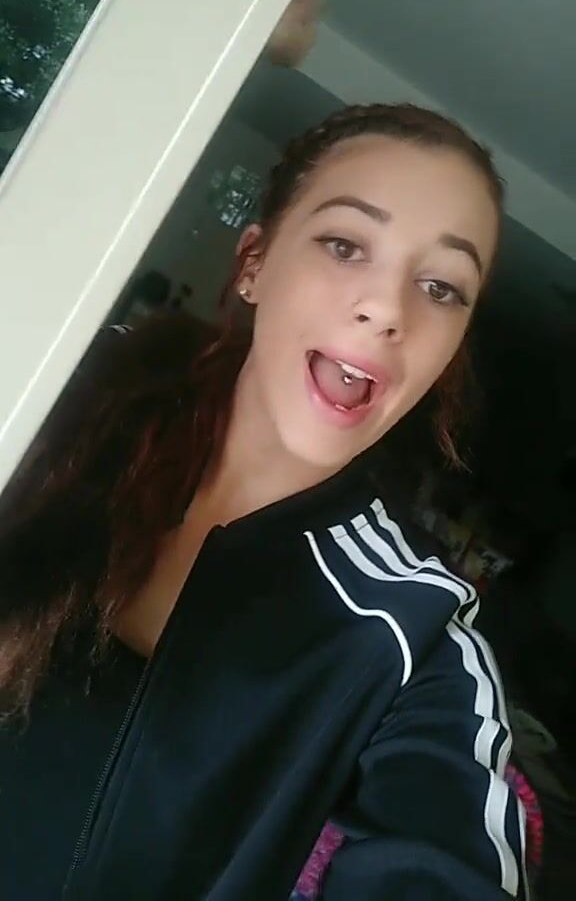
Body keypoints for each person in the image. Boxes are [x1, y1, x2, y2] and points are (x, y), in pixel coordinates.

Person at [0, 104, 527, 900]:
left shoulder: (413, 633)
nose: (388, 310)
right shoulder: (49, 396)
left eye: (441, 287)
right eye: (345, 245)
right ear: (254, 262)